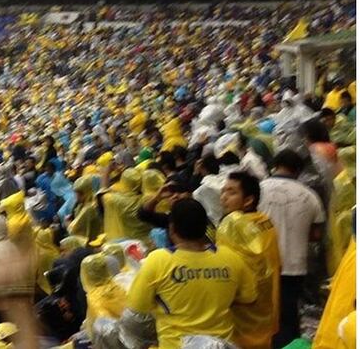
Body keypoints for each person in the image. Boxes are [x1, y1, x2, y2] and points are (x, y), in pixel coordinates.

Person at [124, 199, 257, 348]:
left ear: (172, 228)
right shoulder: (231, 258)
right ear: (204, 227)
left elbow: (137, 310)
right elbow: (248, 298)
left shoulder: (157, 261)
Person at [257, 149, 326, 347]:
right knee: (289, 314)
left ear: (275, 165)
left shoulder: (259, 189)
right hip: (295, 265)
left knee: (264, 314)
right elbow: (316, 235)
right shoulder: (310, 196)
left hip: (264, 264)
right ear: (298, 170)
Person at [217, 170, 281, 349]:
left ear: (248, 200)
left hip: (242, 313)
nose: (224, 197)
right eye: (223, 191)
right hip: (267, 306)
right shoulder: (265, 220)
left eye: (232, 192)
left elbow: (226, 267)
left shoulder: (233, 224)